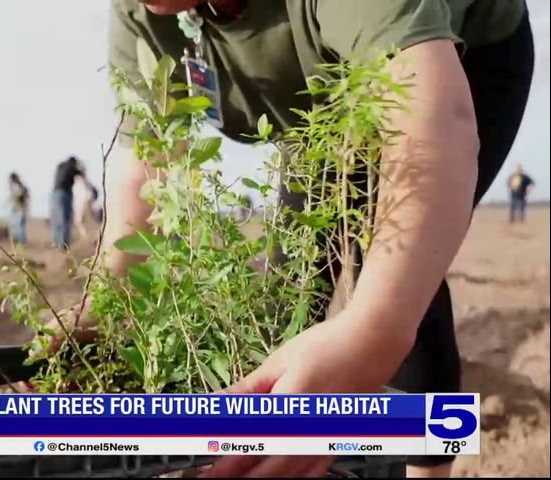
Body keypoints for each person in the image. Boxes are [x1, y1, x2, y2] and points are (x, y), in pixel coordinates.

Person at [46, 1, 533, 477]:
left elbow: (431, 119)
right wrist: (106, 305)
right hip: (319, 102)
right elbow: (144, 175)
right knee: (291, 285)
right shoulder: (140, 11)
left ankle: (426, 463)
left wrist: (373, 331)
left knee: (392, 272)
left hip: (453, 62)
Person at [50, 156, 84, 248]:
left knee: (56, 220)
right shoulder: (72, 167)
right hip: (64, 194)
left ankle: (56, 242)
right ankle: (63, 244)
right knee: (66, 219)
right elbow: (82, 174)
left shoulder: (60, 166)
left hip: (54, 193)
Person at [73, 175, 100, 240]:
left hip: (85, 200)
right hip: (86, 200)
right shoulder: (84, 180)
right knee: (84, 219)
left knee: (84, 219)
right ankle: (88, 236)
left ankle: (88, 236)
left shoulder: (80, 180)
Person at [8, 172, 30, 245]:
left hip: (19, 209)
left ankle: (21, 242)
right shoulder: (20, 186)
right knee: (19, 226)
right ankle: (20, 241)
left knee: (19, 226)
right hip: (19, 209)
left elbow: (17, 197)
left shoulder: (18, 186)